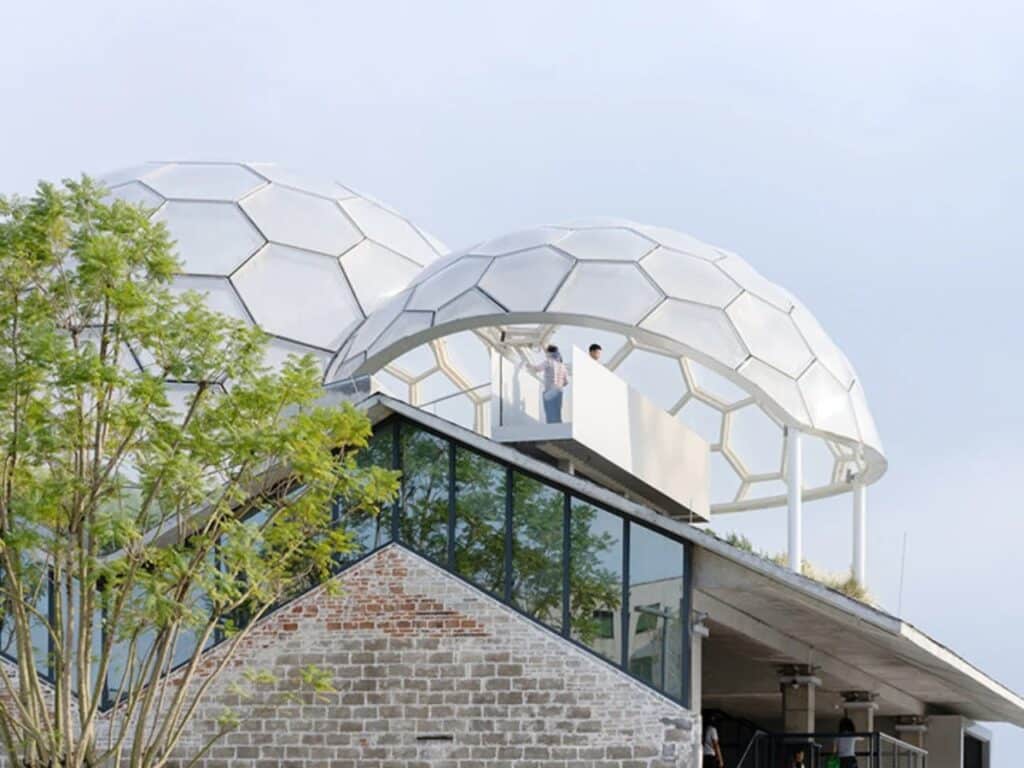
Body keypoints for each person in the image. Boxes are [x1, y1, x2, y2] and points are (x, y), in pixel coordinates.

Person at [530, 345, 569, 424]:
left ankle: (552, 431)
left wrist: (528, 365)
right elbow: (566, 382)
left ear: (548, 352)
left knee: (550, 413)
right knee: (557, 413)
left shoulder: (548, 361)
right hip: (559, 392)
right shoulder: (562, 365)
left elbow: (537, 369)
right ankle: (558, 430)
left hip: (550, 391)